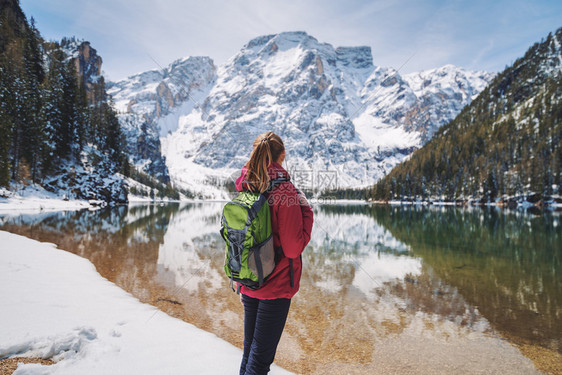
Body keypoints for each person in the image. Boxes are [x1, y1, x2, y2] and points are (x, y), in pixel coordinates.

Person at [235, 131, 314, 375]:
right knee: (260, 362)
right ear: (282, 156)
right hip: (276, 285)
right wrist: (307, 212)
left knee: (250, 354)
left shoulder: (246, 185)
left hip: (249, 280)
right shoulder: (285, 191)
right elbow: (292, 249)